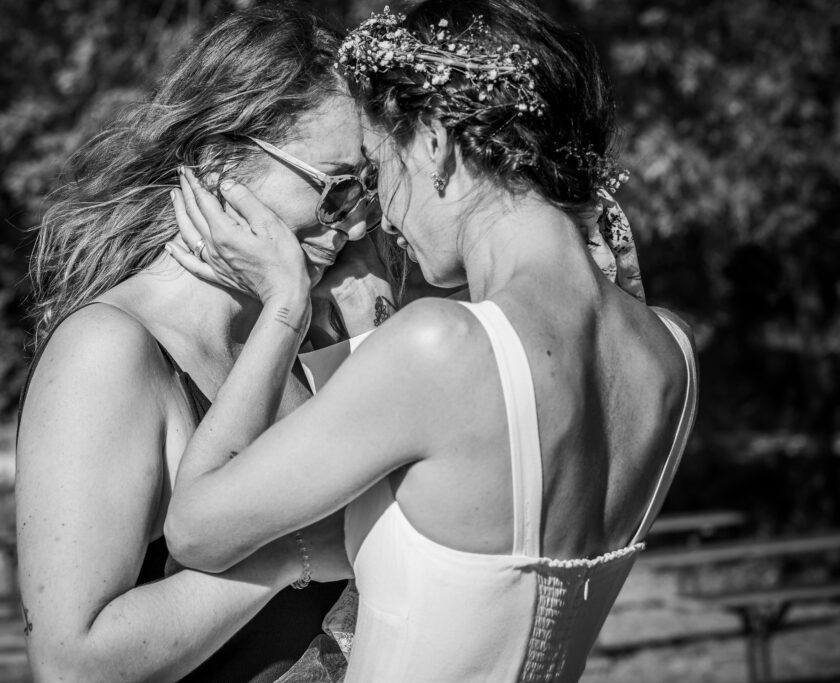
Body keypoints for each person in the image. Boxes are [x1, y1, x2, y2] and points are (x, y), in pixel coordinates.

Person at [163, 1, 698, 681]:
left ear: (435, 146)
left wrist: (284, 305)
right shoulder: (673, 354)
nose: (377, 216)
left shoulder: (440, 348)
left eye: (381, 168)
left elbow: (196, 530)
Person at [15, 4, 389, 681]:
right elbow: (70, 664)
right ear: (219, 160)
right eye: (335, 188)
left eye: (369, 190)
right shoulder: (109, 352)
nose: (356, 225)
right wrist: (288, 557)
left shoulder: (312, 330)